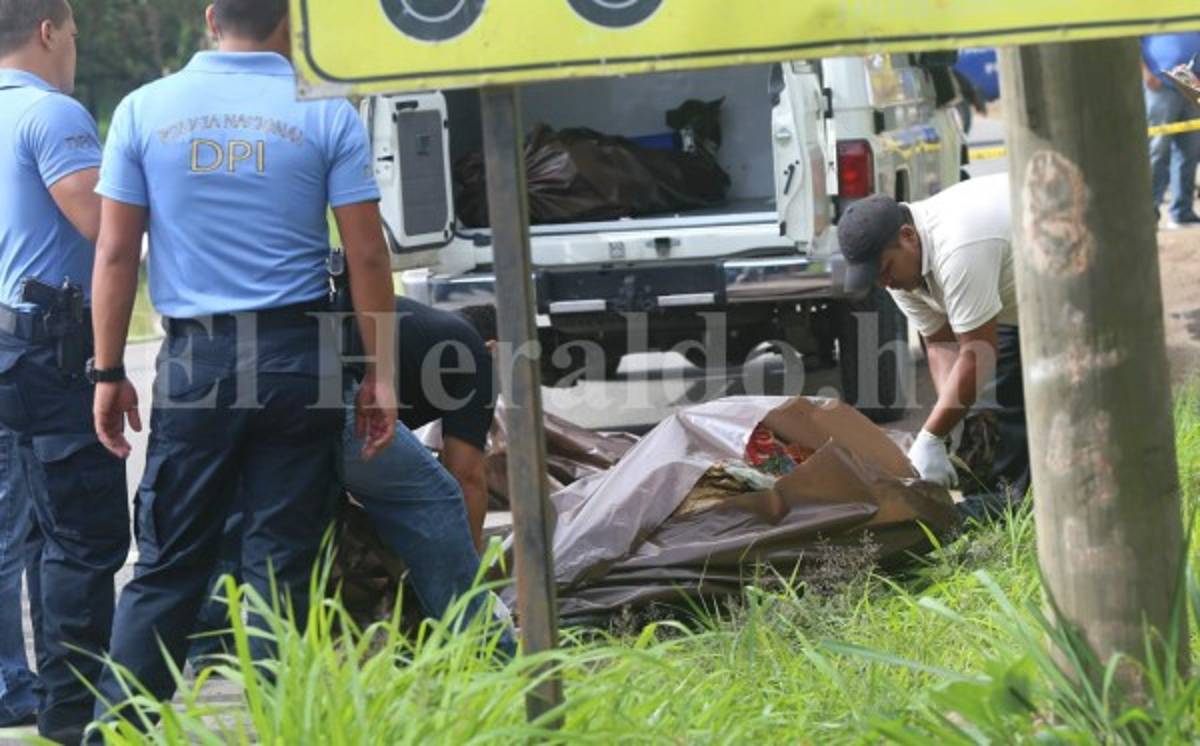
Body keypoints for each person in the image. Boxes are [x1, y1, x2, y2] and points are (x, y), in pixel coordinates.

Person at [88, 0, 397, 730]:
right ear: (288, 22)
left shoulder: (142, 109)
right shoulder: (326, 112)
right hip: (300, 360)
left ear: (209, 18)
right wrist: (379, 373)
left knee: (167, 566)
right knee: (281, 568)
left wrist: (106, 371)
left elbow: (114, 252)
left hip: (201, 362)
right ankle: (283, 729)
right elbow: (367, 254)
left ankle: (116, 735)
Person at [187, 298, 505, 669]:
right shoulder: (475, 355)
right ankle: (476, 639)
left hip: (249, 368)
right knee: (434, 500)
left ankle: (211, 648)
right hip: (323, 388)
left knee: (245, 509)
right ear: (495, 347)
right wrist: (465, 566)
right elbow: (465, 477)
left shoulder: (425, 330)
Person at [0, 1, 130, 741]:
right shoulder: (54, 116)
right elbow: (106, 229)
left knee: (37, 537)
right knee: (83, 539)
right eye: (75, 35)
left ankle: (53, 699)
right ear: (48, 31)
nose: (75, 50)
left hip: (10, 342)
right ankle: (73, 716)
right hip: (53, 356)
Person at [839, 175, 1029, 519]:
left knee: (1025, 397)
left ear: (908, 237)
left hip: (1071, 268)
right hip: (1013, 296)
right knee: (992, 412)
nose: (884, 284)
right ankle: (1009, 507)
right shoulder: (899, 272)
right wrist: (951, 420)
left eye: (884, 270)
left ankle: (1025, 506)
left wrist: (932, 434)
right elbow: (940, 343)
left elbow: (978, 352)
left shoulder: (957, 248)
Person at [1141, 32, 1200, 228]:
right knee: (1157, 150)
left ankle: (1182, 213)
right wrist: (1145, 74)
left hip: (1190, 79)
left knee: (1189, 150)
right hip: (1160, 79)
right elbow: (1131, 42)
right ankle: (1148, 213)